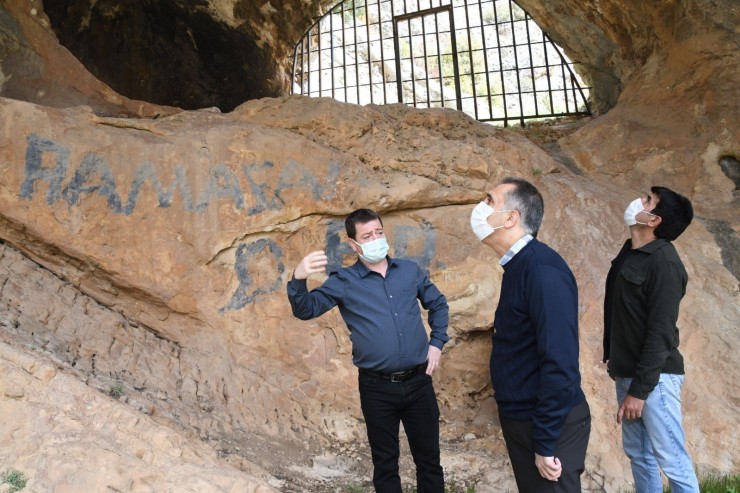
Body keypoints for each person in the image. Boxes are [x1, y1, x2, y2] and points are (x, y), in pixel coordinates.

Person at [287, 208, 449, 493]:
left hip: (418, 382)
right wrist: (298, 277)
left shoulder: (409, 271)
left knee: (429, 461)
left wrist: (436, 344)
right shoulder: (344, 281)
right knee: (385, 464)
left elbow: (438, 304)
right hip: (377, 388)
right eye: (367, 236)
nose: (375, 239)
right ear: (353, 244)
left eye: (378, 232)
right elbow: (305, 309)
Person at [470, 177, 591, 492]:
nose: (479, 208)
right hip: (526, 418)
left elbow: (560, 361)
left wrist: (546, 440)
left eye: (488, 201)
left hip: (549, 425)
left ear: (511, 218)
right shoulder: (520, 266)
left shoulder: (541, 271)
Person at [603, 187, 700, 493]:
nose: (638, 200)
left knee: (671, 458)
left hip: (655, 380)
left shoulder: (665, 263)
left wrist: (639, 392)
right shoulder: (629, 252)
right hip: (630, 374)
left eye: (646, 200)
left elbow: (660, 333)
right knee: (640, 456)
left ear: (654, 219)